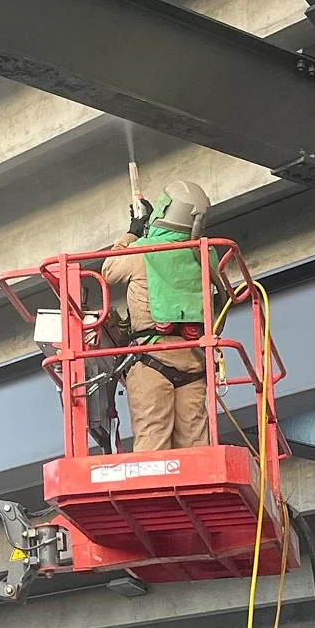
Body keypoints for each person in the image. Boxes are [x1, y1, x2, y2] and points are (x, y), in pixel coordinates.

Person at [101, 181, 216, 452]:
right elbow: (220, 299)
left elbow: (108, 270)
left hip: (151, 360)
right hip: (194, 364)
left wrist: (133, 232)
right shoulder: (204, 254)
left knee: (152, 447)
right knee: (195, 448)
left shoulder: (144, 251)